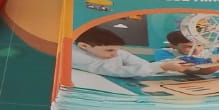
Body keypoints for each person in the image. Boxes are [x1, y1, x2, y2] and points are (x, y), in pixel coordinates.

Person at [71, 25, 211, 78]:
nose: (115, 54)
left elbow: (138, 62)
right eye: (110, 50)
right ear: (84, 46)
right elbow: (116, 70)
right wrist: (162, 66)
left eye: (118, 49)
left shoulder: (108, 50)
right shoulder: (75, 56)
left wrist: (162, 66)